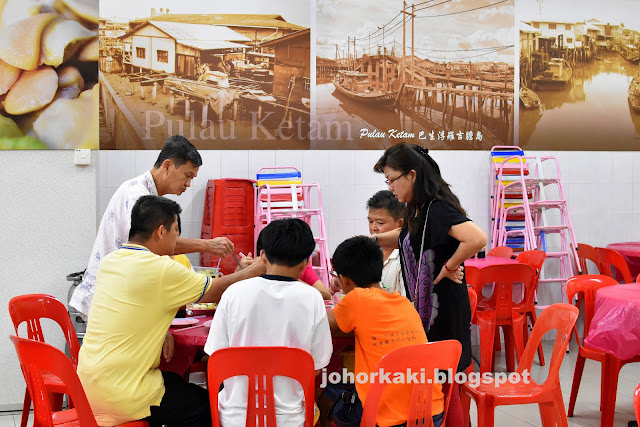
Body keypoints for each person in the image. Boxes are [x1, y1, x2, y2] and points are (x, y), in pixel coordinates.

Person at [77, 195, 265, 427]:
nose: (177, 238)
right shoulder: (162, 268)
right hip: (123, 394)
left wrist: (163, 329)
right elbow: (214, 291)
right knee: (205, 407)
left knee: (174, 382)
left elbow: (133, 309)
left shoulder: (111, 261)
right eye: (176, 230)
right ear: (161, 231)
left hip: (87, 387)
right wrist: (256, 269)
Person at [373, 143, 487, 427]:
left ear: (411, 175)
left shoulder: (437, 209)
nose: (390, 187)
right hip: (428, 308)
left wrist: (450, 266)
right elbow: (405, 235)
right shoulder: (418, 210)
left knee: (444, 382)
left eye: (392, 179)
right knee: (435, 381)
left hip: (444, 309)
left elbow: (477, 238)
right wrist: (362, 245)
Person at [70, 135, 234, 318]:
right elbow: (154, 244)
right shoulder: (137, 195)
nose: (188, 184)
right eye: (188, 176)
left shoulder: (148, 196)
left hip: (122, 294)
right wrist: (207, 245)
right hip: (113, 298)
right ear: (167, 166)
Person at [205, 219, 333, 427]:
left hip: (234, 418)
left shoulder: (234, 292)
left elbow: (216, 357)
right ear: (306, 263)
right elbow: (316, 367)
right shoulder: (312, 298)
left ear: (262, 256)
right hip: (290, 419)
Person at [327, 236, 445, 427]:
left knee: (331, 392)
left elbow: (322, 328)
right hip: (432, 413)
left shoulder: (356, 298)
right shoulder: (403, 302)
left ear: (344, 280)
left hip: (389, 419)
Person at [367, 190, 407, 296]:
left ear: (400, 224)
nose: (373, 228)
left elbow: (408, 306)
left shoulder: (405, 259)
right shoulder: (367, 255)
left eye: (380, 223)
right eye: (370, 221)